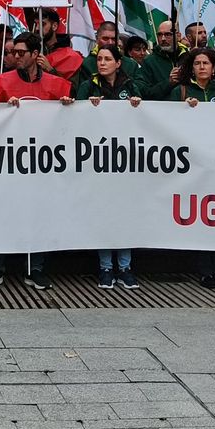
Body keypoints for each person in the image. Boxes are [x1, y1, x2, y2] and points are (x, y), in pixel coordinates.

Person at [0, 33, 73, 291]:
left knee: (38, 216)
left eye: (21, 52)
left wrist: (68, 108)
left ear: (35, 54)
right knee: (1, 215)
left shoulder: (58, 86)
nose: (15, 56)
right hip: (6, 162)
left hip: (42, 164)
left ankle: (35, 268)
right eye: (13, 52)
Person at [163, 47, 215, 289]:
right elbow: (164, 119)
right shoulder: (182, 91)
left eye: (206, 63)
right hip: (194, 165)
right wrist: (184, 109)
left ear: (214, 67)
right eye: (197, 63)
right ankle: (206, 270)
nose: (202, 67)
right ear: (191, 68)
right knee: (201, 218)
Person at [75, 43, 144, 289]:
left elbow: (144, 118)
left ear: (118, 63)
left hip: (125, 161)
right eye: (99, 59)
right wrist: (86, 107)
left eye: (107, 59)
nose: (102, 63)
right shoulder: (87, 86)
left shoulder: (130, 86)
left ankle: (124, 267)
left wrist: (137, 104)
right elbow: (74, 116)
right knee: (103, 213)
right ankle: (105, 267)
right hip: (98, 160)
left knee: (124, 214)